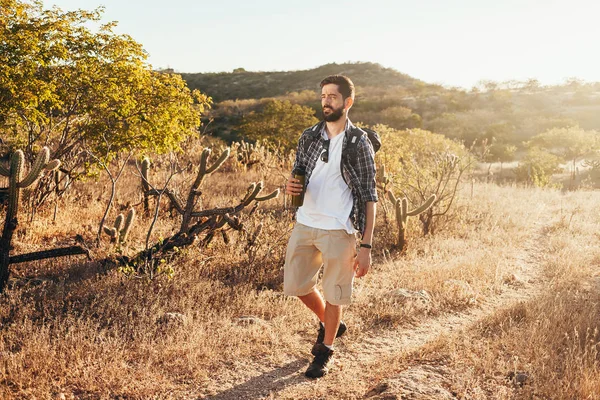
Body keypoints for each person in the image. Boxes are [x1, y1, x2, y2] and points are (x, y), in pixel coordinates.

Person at [284, 75, 377, 378]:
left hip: (339, 228)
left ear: (347, 102)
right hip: (306, 222)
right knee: (297, 285)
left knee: (336, 293)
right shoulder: (308, 136)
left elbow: (368, 196)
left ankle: (324, 353)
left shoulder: (359, 142)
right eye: (323, 96)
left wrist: (366, 246)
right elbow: (299, 173)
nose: (326, 101)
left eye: (333, 97)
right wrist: (291, 187)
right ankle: (331, 324)